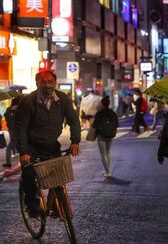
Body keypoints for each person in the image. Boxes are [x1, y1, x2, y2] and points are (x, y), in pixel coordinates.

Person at [15, 70, 81, 216]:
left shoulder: (62, 99)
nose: (47, 84)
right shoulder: (28, 101)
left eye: (50, 81)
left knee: (57, 174)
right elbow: (21, 129)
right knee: (28, 173)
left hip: (51, 144)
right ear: (37, 83)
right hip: (31, 146)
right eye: (43, 81)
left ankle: (56, 204)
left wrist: (75, 141)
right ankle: (32, 205)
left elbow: (74, 120)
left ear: (55, 83)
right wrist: (23, 152)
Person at [92, 96, 119, 177]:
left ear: (102, 104)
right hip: (110, 135)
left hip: (101, 135)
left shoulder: (99, 113)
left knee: (103, 154)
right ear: (109, 103)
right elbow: (117, 124)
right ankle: (107, 170)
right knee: (108, 152)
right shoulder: (113, 113)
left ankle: (107, 171)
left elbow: (94, 125)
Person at [3, 96, 22, 168]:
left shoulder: (18, 110)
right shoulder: (17, 109)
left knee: (10, 147)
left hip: (16, 132)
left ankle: (8, 163)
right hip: (15, 131)